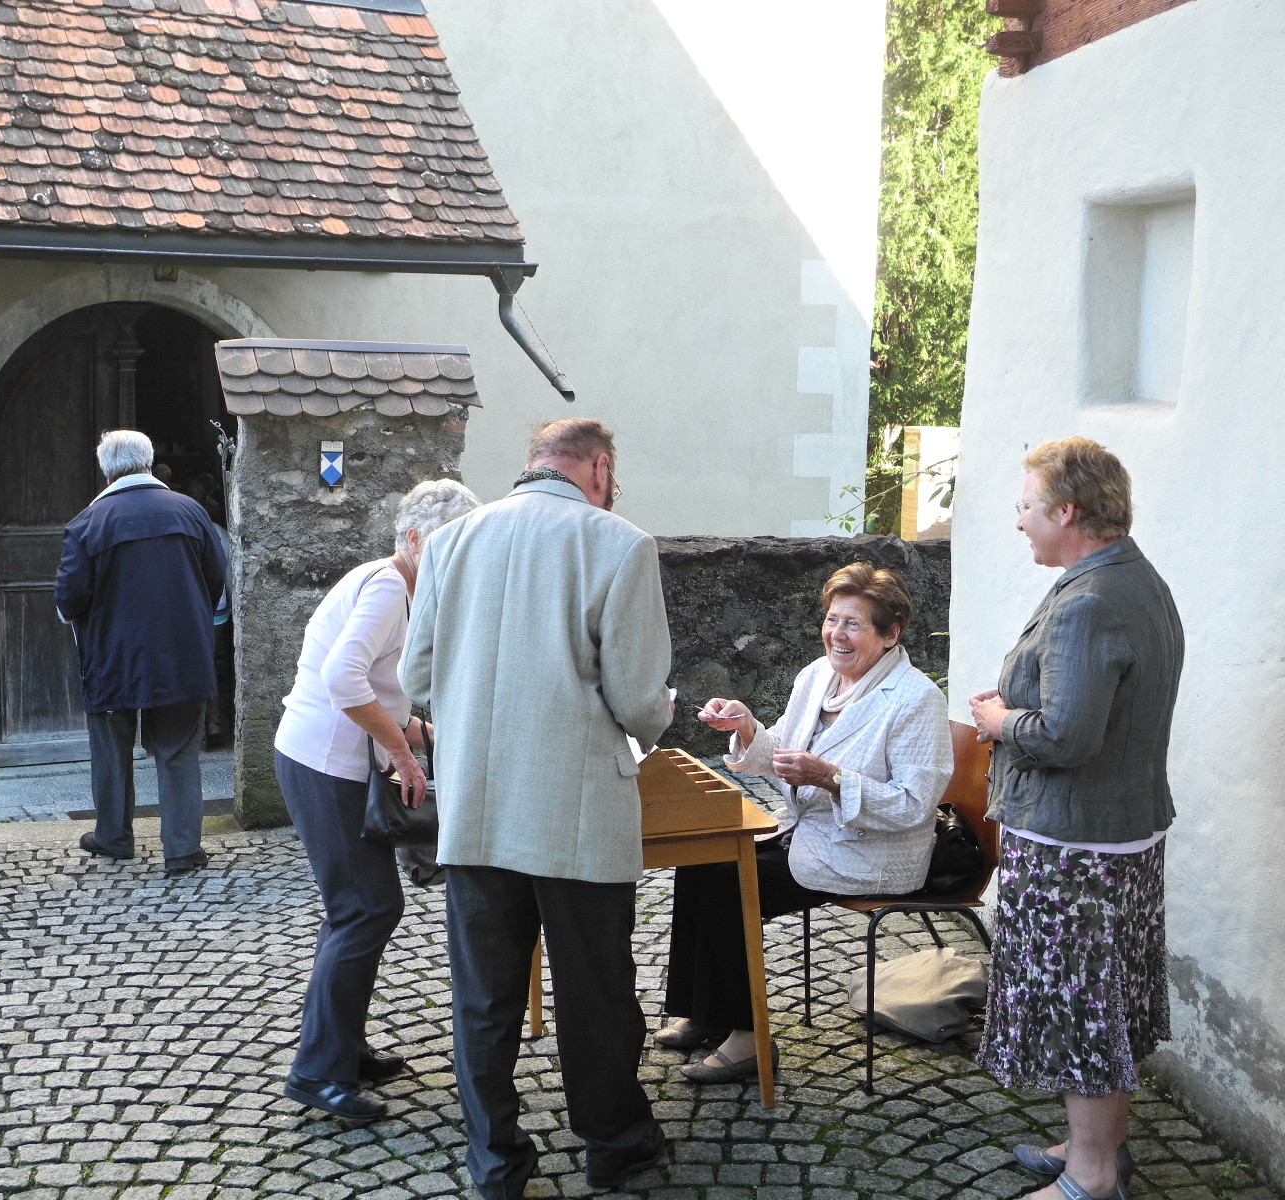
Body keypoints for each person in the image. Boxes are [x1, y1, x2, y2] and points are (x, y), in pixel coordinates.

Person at [401, 418, 674, 1200]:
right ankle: (614, 1143)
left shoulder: (450, 542)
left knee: (483, 998)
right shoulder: (620, 543)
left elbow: (417, 679)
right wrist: (661, 711)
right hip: (576, 809)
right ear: (599, 467)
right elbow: (637, 699)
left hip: (477, 807)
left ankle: (495, 1162)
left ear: (533, 464)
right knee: (594, 990)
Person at [970, 438, 1182, 1200]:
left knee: (1081, 1008)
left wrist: (999, 721)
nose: (1018, 520)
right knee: (1106, 1001)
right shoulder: (1134, 577)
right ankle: (1100, 1148)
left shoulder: (1088, 602)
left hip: (1074, 846)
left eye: (1026, 506)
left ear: (1066, 511)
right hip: (1118, 836)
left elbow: (1066, 737)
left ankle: (1089, 1178)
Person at [668, 563, 953, 1082]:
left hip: (870, 853)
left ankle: (749, 1039)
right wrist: (747, 727)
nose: (836, 634)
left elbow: (914, 805)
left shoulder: (916, 700)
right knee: (701, 860)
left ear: (891, 634)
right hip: (809, 834)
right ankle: (708, 1014)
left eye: (853, 624)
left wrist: (832, 779)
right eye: (831, 620)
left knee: (726, 882)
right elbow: (781, 750)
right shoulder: (816, 676)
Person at [274, 479, 481, 1121]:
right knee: (363, 907)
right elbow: (342, 679)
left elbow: (378, 691)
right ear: (414, 539)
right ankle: (318, 1071)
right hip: (324, 763)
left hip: (330, 759)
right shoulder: (390, 586)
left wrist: (422, 735)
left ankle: (341, 1046)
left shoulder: (396, 585)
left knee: (360, 908)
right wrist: (402, 752)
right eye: (451, 546)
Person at [55, 430, 229, 878]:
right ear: (150, 462)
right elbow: (215, 577)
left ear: (106, 470)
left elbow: (70, 597)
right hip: (181, 652)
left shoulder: (88, 523)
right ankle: (183, 849)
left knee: (111, 750)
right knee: (178, 750)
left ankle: (114, 838)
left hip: (112, 654)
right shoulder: (190, 512)